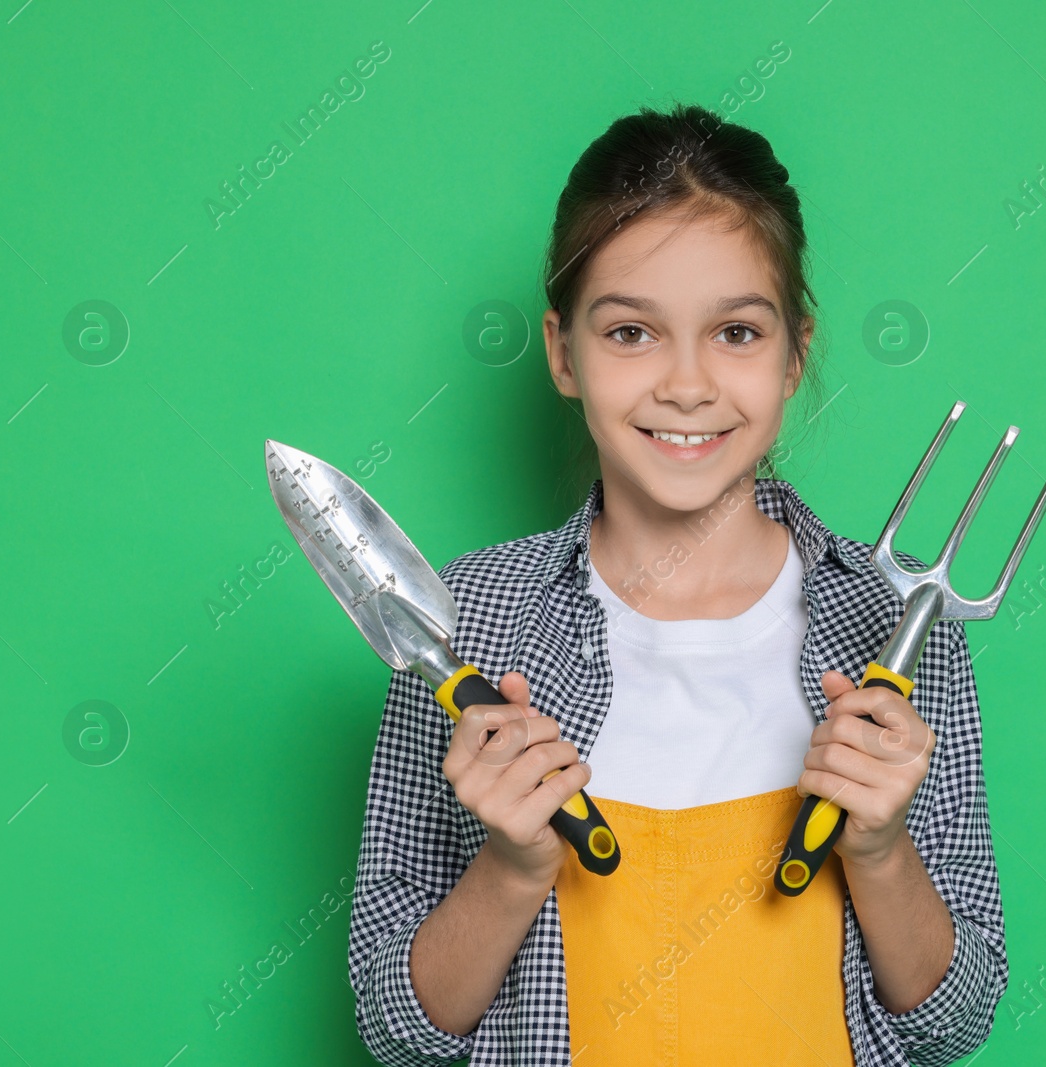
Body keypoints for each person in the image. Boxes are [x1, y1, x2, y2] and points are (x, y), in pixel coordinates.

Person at [346, 101, 1008, 1066]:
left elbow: (951, 1023)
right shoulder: (466, 623)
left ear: (796, 355)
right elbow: (399, 1033)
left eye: (737, 332)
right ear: (563, 353)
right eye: (630, 333)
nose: (687, 384)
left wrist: (879, 851)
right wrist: (510, 866)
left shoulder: (898, 627)